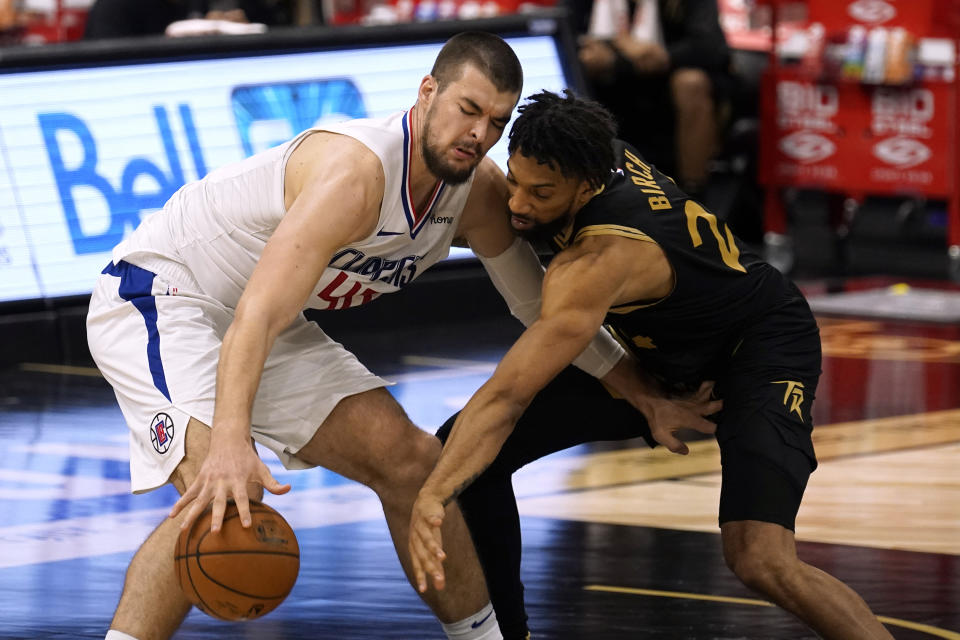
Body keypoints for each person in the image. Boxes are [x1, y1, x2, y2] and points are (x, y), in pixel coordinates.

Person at [84, 32, 647, 640]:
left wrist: (643, 391)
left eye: (495, 121)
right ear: (427, 92)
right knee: (219, 495)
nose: (479, 133)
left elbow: (541, 308)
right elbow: (257, 313)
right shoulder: (355, 175)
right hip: (166, 296)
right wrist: (228, 441)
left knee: (414, 463)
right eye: (467, 109)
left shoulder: (476, 191)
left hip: (264, 324)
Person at [409, 90, 896, 639]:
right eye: (515, 180)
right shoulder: (590, 144)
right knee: (467, 454)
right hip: (664, 350)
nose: (517, 203)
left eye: (541, 193)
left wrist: (429, 495)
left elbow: (507, 396)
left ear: (588, 185)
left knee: (760, 559)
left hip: (759, 348)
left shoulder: (595, 264)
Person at [572, 0, 734, 197]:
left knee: (691, 83)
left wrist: (662, 57)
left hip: (664, 86)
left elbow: (710, 48)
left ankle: (692, 196)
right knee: (573, 65)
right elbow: (565, 27)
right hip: (606, 84)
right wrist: (615, 48)